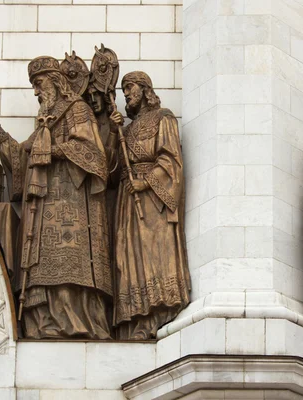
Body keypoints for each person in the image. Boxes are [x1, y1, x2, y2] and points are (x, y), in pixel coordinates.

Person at [0, 55, 113, 339]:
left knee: (69, 264)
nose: (36, 91)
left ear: (55, 81)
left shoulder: (77, 110)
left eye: (39, 84)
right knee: (40, 264)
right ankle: (43, 323)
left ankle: (77, 323)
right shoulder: (44, 120)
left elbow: (92, 152)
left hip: (73, 201)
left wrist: (52, 151)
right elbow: (22, 154)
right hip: (42, 203)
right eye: (34, 86)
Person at [112, 71, 190, 339]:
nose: (126, 94)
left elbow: (170, 160)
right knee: (127, 255)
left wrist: (145, 183)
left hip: (149, 199)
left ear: (145, 89)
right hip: (127, 198)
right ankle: (135, 320)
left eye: (129, 87)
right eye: (123, 90)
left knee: (151, 253)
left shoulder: (163, 118)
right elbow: (115, 167)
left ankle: (155, 315)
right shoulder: (127, 129)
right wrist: (115, 133)